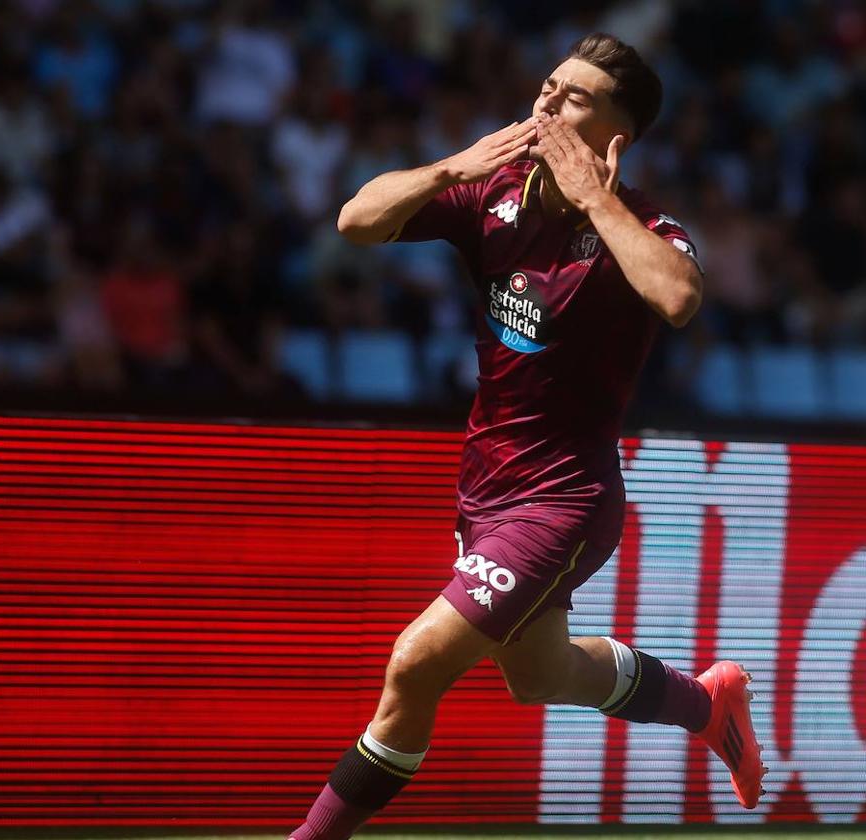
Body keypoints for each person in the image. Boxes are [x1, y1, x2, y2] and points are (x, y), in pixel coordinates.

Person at [289, 34, 764, 840]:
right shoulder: (493, 196)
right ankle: (705, 702)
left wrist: (598, 201)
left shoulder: (642, 224)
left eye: (575, 96)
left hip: (565, 499)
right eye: (548, 85)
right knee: (540, 676)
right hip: (486, 487)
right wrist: (449, 169)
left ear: (618, 133)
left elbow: (679, 298)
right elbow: (356, 221)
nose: (546, 102)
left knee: (414, 665)